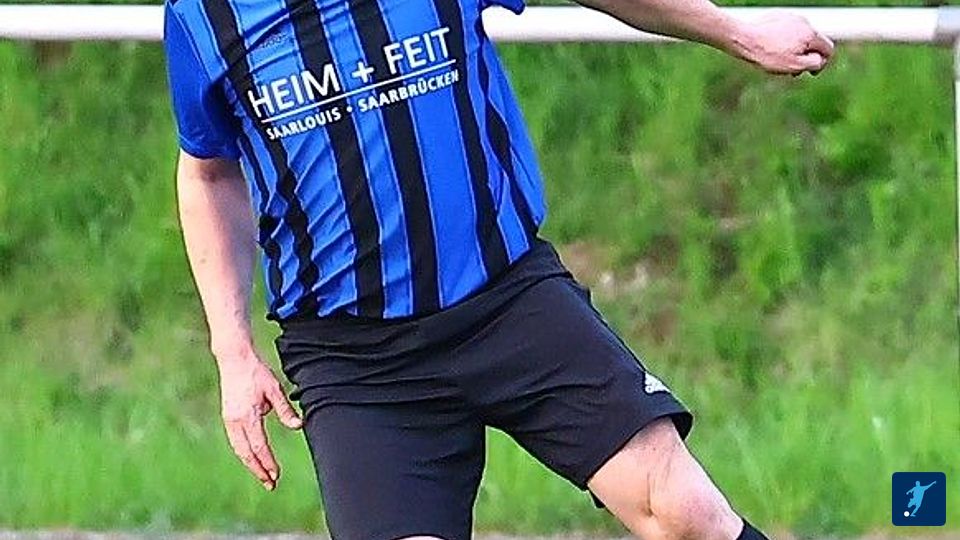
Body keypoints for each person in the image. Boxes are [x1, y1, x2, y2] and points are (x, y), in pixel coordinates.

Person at [163, 0, 833, 536]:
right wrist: (233, 349)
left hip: (509, 302)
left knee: (685, 514)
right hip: (359, 361)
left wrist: (734, 30)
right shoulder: (202, 16)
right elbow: (208, 172)